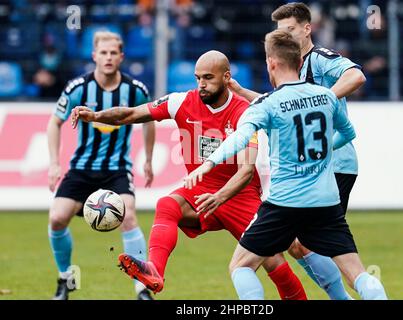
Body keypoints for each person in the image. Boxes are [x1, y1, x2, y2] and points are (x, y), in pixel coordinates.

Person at [71, 50, 308, 300]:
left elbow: (246, 171)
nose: (201, 85)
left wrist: (219, 197)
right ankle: (155, 272)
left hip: (239, 195)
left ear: (227, 77)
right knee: (167, 204)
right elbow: (131, 114)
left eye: (208, 78)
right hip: (199, 190)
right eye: (197, 78)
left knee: (274, 261)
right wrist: (96, 116)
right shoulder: (182, 102)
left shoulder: (246, 112)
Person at [185, 30, 388, 300]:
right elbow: (349, 134)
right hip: (326, 202)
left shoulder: (267, 103)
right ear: (298, 61)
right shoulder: (326, 97)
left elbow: (240, 137)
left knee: (241, 266)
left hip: (284, 204)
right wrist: (325, 150)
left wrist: (208, 163)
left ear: (272, 63)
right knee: (358, 274)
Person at [228, 2, 366, 300]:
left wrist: (321, 99)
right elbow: (279, 105)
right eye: (280, 32)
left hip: (334, 162)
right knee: (299, 245)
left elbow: (356, 76)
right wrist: (240, 93)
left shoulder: (320, 58)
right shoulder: (292, 65)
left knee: (314, 247)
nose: (285, 37)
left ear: (307, 28)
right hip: (317, 166)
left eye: (290, 30)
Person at [46, 31, 156, 300]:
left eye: (113, 53)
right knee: (57, 218)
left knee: (128, 217)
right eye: (103, 53)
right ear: (94, 55)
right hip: (82, 168)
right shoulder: (78, 88)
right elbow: (54, 123)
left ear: (121, 56)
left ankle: (141, 288)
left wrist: (149, 159)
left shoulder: (135, 90)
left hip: (117, 169)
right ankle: (66, 280)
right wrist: (53, 164)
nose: (108, 57)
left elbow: (150, 120)